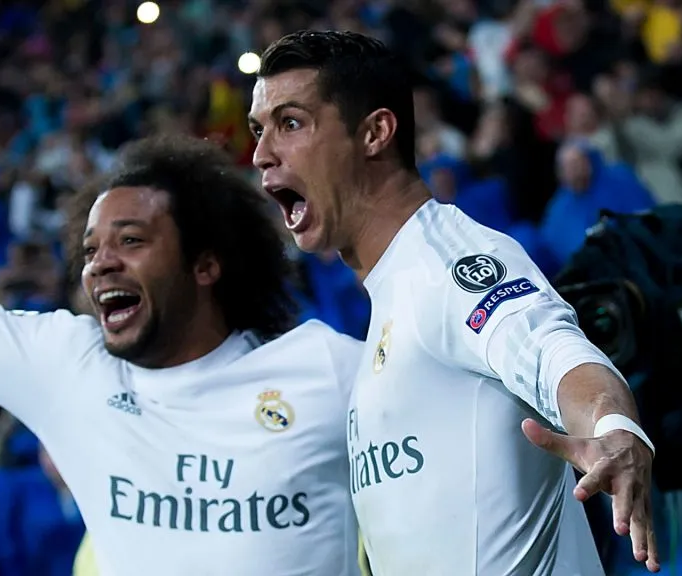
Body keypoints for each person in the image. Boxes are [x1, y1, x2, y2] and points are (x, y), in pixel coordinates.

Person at [0, 55, 363, 575]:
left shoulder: (328, 372)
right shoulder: (69, 365)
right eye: (90, 249)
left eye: (130, 241)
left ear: (205, 265)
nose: (100, 264)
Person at [248, 30, 660, 575]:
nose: (260, 154)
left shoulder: (450, 261)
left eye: (291, 123)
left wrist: (614, 428)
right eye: (259, 130)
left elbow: (552, 349)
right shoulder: (390, 295)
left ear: (375, 132)